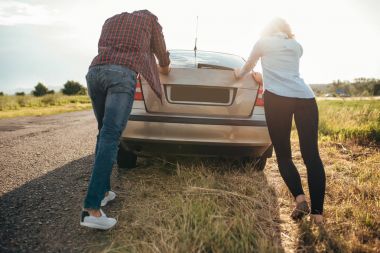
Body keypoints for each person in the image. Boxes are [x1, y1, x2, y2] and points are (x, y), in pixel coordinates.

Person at [80, 10, 170, 230]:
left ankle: (102, 192)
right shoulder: (150, 19)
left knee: (104, 133)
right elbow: (161, 52)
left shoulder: (110, 20)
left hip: (95, 72)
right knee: (111, 136)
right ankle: (91, 210)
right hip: (121, 75)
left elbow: (103, 47)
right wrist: (165, 67)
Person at [234, 18, 325, 224]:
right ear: (286, 29)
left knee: (284, 155)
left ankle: (300, 199)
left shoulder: (262, 43)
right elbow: (286, 73)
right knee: (312, 156)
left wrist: (238, 74)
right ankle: (318, 216)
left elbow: (247, 67)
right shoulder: (296, 46)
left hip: (277, 99)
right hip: (306, 97)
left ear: (266, 28)